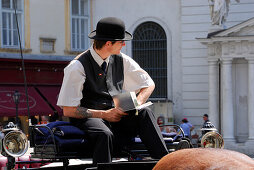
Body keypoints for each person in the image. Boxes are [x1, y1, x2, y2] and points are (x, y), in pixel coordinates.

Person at [57, 17, 168, 165]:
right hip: (88, 117)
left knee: (145, 113)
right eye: (121, 41)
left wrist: (137, 102)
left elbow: (149, 84)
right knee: (104, 134)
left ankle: (166, 164)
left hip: (115, 114)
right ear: (108, 43)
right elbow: (69, 110)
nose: (123, 44)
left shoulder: (122, 60)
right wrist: (104, 114)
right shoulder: (77, 67)